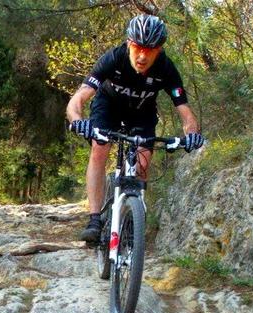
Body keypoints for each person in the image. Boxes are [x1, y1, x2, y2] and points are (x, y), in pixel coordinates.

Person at [66, 14, 206, 243]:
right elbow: (79, 98)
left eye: (149, 50)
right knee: (99, 148)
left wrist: (192, 135)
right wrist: (77, 120)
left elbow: (185, 111)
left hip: (142, 112)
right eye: (138, 47)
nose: (142, 56)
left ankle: (132, 219)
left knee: (142, 162)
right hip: (107, 106)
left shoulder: (166, 68)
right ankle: (94, 218)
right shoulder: (113, 58)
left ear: (159, 50)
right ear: (129, 43)